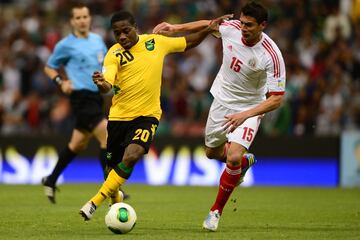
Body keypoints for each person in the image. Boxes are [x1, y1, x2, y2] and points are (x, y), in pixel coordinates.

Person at [79, 10, 230, 221]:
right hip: (118, 118)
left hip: (147, 116)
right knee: (110, 173)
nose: (122, 37)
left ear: (135, 28)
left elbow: (187, 43)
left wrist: (207, 29)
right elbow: (107, 85)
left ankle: (94, 202)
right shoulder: (114, 53)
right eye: (117, 33)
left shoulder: (155, 42)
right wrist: (101, 83)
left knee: (132, 155)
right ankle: (116, 202)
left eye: (125, 31)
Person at [153, 1, 286, 231]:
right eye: (242, 23)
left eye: (250, 25)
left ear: (263, 25)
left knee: (232, 157)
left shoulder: (271, 55)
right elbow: (210, 25)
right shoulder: (231, 28)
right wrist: (174, 28)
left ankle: (215, 212)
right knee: (212, 153)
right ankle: (244, 163)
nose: (243, 28)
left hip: (251, 107)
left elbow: (276, 99)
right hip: (222, 102)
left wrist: (245, 115)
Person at [42, 3, 129, 204]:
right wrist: (60, 82)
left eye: (85, 17)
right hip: (80, 97)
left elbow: (106, 66)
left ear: (89, 19)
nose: (82, 20)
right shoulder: (65, 45)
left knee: (77, 144)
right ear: (72, 21)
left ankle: (51, 179)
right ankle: (112, 187)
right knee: (107, 137)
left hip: (96, 98)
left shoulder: (98, 40)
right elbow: (49, 68)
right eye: (78, 18)